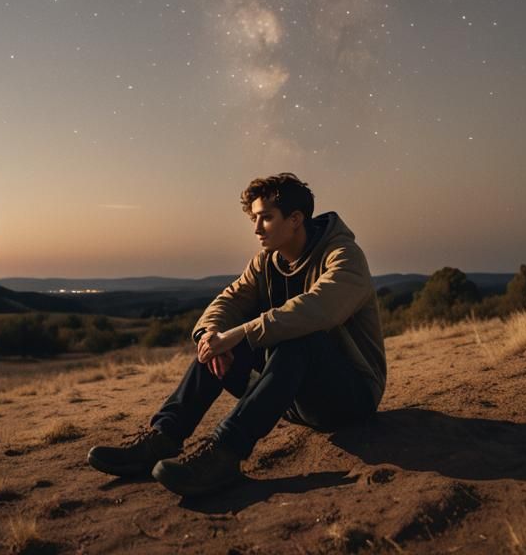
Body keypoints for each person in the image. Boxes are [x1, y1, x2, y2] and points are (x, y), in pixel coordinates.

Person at [86, 172, 386, 497]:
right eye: (254, 218)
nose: (257, 229)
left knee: (301, 338)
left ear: (296, 219)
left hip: (350, 398)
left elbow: (319, 308)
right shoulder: (265, 263)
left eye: (266, 218)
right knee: (215, 343)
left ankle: (224, 454)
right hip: (290, 395)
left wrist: (241, 335)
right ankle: (163, 437)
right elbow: (228, 300)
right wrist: (212, 334)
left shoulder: (343, 256)